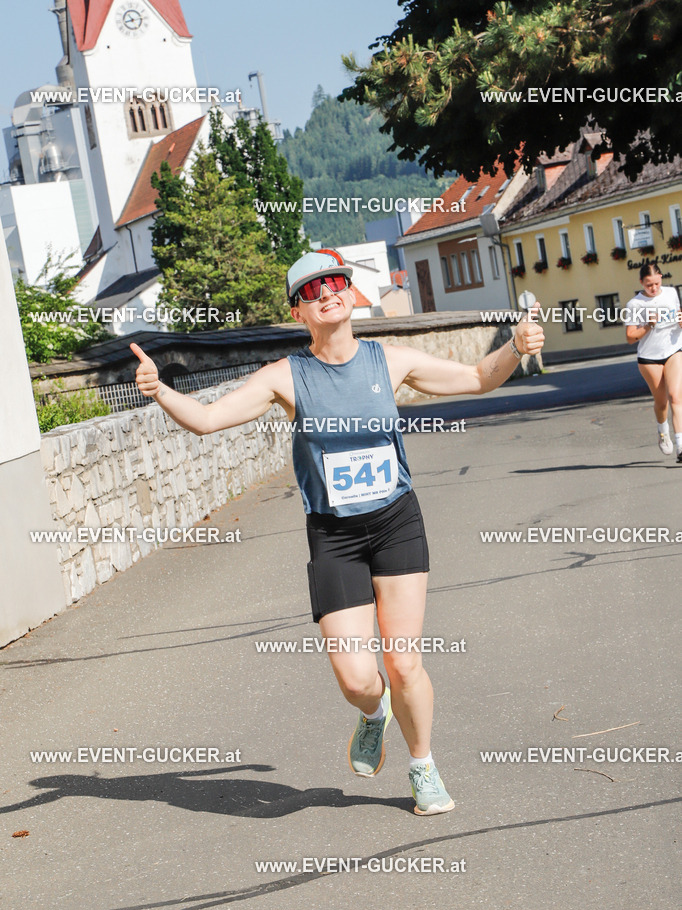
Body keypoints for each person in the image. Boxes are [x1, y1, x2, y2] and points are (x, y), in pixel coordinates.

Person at [131, 248, 544, 815]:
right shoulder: (285, 377)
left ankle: (422, 766)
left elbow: (476, 378)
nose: (327, 293)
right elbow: (206, 420)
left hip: (396, 521)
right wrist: (159, 392)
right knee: (358, 678)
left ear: (352, 295)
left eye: (335, 283)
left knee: (402, 661)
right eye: (311, 290)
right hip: (335, 536)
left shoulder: (389, 362)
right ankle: (372, 714)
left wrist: (515, 349)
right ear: (299, 312)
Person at [624, 263, 682, 461]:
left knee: (676, 396)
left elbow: (679, 318)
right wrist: (649, 325)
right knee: (661, 401)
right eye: (649, 285)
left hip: (674, 350)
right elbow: (630, 337)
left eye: (657, 283)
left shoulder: (672, 293)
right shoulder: (635, 305)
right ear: (641, 282)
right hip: (649, 358)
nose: (654, 288)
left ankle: (681, 446)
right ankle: (663, 431)